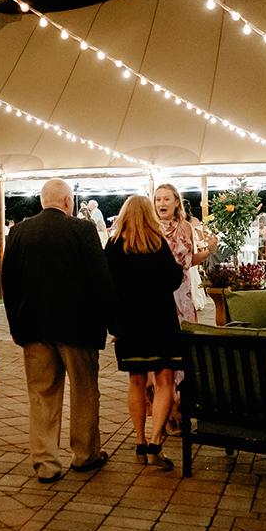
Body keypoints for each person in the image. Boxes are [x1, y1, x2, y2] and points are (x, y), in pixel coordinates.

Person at [1, 178, 113, 483]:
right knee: (85, 391)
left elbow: (8, 283)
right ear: (68, 202)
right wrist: (110, 323)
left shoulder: (19, 232)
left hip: (34, 327)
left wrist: (15, 326)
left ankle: (45, 462)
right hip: (79, 327)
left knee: (41, 394)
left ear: (42, 202)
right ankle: (85, 454)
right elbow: (100, 280)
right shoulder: (83, 230)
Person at [105, 195, 184, 469]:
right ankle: (154, 443)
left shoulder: (114, 246)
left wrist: (113, 323)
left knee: (136, 382)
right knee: (165, 382)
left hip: (129, 326)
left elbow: (107, 287)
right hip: (160, 323)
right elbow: (175, 278)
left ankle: (139, 441)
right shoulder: (157, 244)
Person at [153, 184, 217, 434]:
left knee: (183, 352)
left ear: (176, 202)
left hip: (183, 294)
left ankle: (180, 407)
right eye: (158, 199)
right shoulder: (151, 228)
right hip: (159, 296)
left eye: (166, 198)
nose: (161, 203)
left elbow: (189, 261)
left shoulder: (186, 227)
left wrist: (209, 250)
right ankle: (167, 411)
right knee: (164, 356)